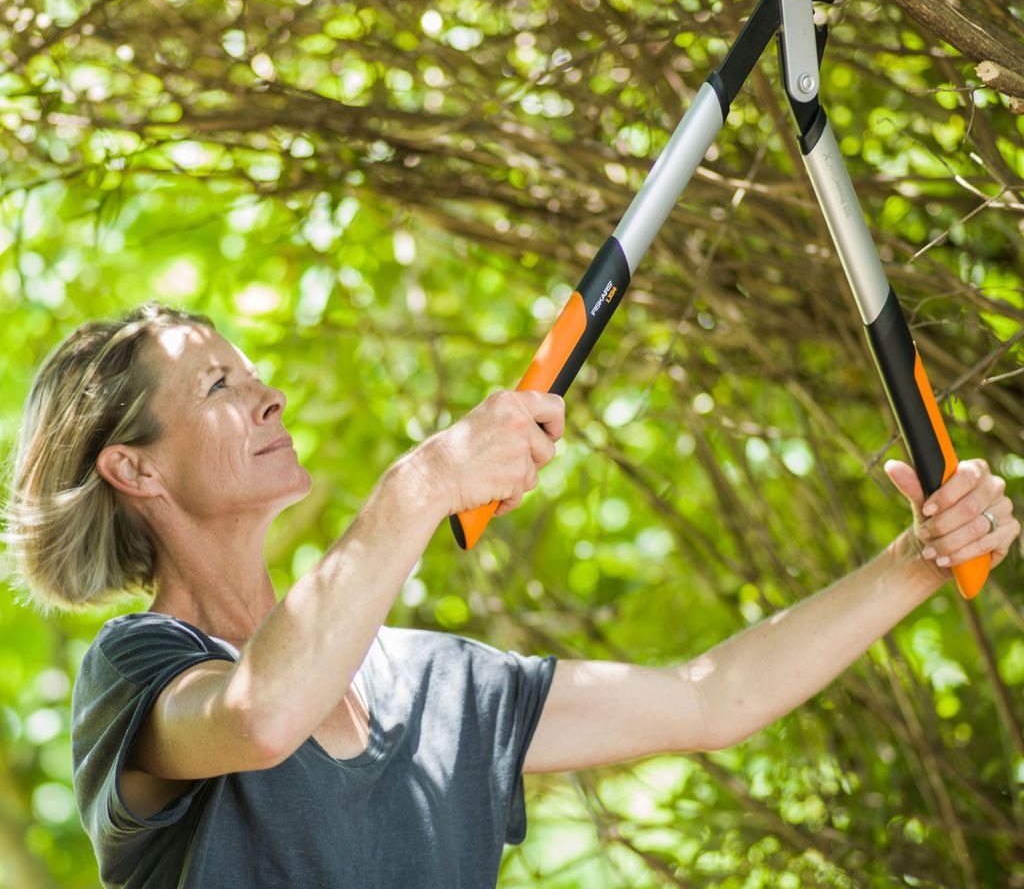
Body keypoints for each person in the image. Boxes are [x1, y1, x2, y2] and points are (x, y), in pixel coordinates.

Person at [4, 301, 1017, 889]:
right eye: (220, 386)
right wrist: (421, 485)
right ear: (134, 468)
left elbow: (712, 698)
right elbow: (261, 713)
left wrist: (918, 560)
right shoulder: (136, 672)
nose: (268, 395)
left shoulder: (436, 688)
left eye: (251, 372)